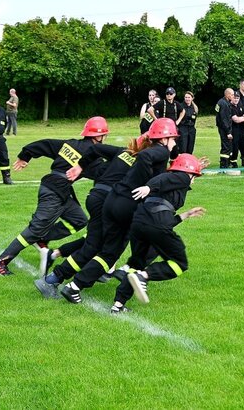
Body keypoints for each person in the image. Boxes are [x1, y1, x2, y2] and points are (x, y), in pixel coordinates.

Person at [57, 118, 179, 304]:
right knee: (112, 251)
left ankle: (73, 283)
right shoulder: (160, 151)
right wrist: (148, 186)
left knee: (104, 247)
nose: (175, 143)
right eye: (173, 138)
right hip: (126, 205)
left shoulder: (144, 153)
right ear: (164, 139)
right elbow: (146, 160)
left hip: (112, 200)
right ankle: (83, 283)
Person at [0, 117, 109, 276]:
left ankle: (42, 238)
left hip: (59, 190)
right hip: (54, 192)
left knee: (79, 220)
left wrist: (25, 155)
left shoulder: (69, 144)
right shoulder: (93, 157)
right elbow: (105, 173)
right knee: (35, 229)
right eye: (104, 135)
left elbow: (44, 144)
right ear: (99, 137)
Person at [34, 137, 149, 297]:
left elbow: (95, 149)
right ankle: (62, 281)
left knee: (93, 243)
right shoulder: (146, 163)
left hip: (96, 196)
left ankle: (56, 274)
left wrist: (80, 166)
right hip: (110, 202)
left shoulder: (123, 151)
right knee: (103, 249)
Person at [110, 154, 206, 312]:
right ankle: (144, 276)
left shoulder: (172, 186)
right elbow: (162, 180)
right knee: (179, 263)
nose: (194, 180)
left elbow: (161, 217)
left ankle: (118, 305)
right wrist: (149, 187)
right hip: (155, 223)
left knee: (137, 264)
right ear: (187, 172)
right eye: (194, 175)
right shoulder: (181, 177)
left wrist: (185, 215)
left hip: (140, 222)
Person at [229, 92, 244, 168]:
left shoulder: (240, 105)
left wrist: (241, 118)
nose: (236, 99)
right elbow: (236, 120)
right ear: (231, 98)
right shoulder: (230, 107)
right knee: (235, 147)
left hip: (242, 130)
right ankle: (233, 162)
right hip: (234, 130)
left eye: (237, 98)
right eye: (234, 98)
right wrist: (243, 118)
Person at [215, 88, 234, 168]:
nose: (233, 96)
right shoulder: (224, 104)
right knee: (226, 146)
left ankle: (227, 163)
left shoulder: (223, 102)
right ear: (227, 95)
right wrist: (228, 132)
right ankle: (224, 165)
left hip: (224, 128)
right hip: (224, 129)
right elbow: (224, 119)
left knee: (228, 146)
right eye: (232, 95)